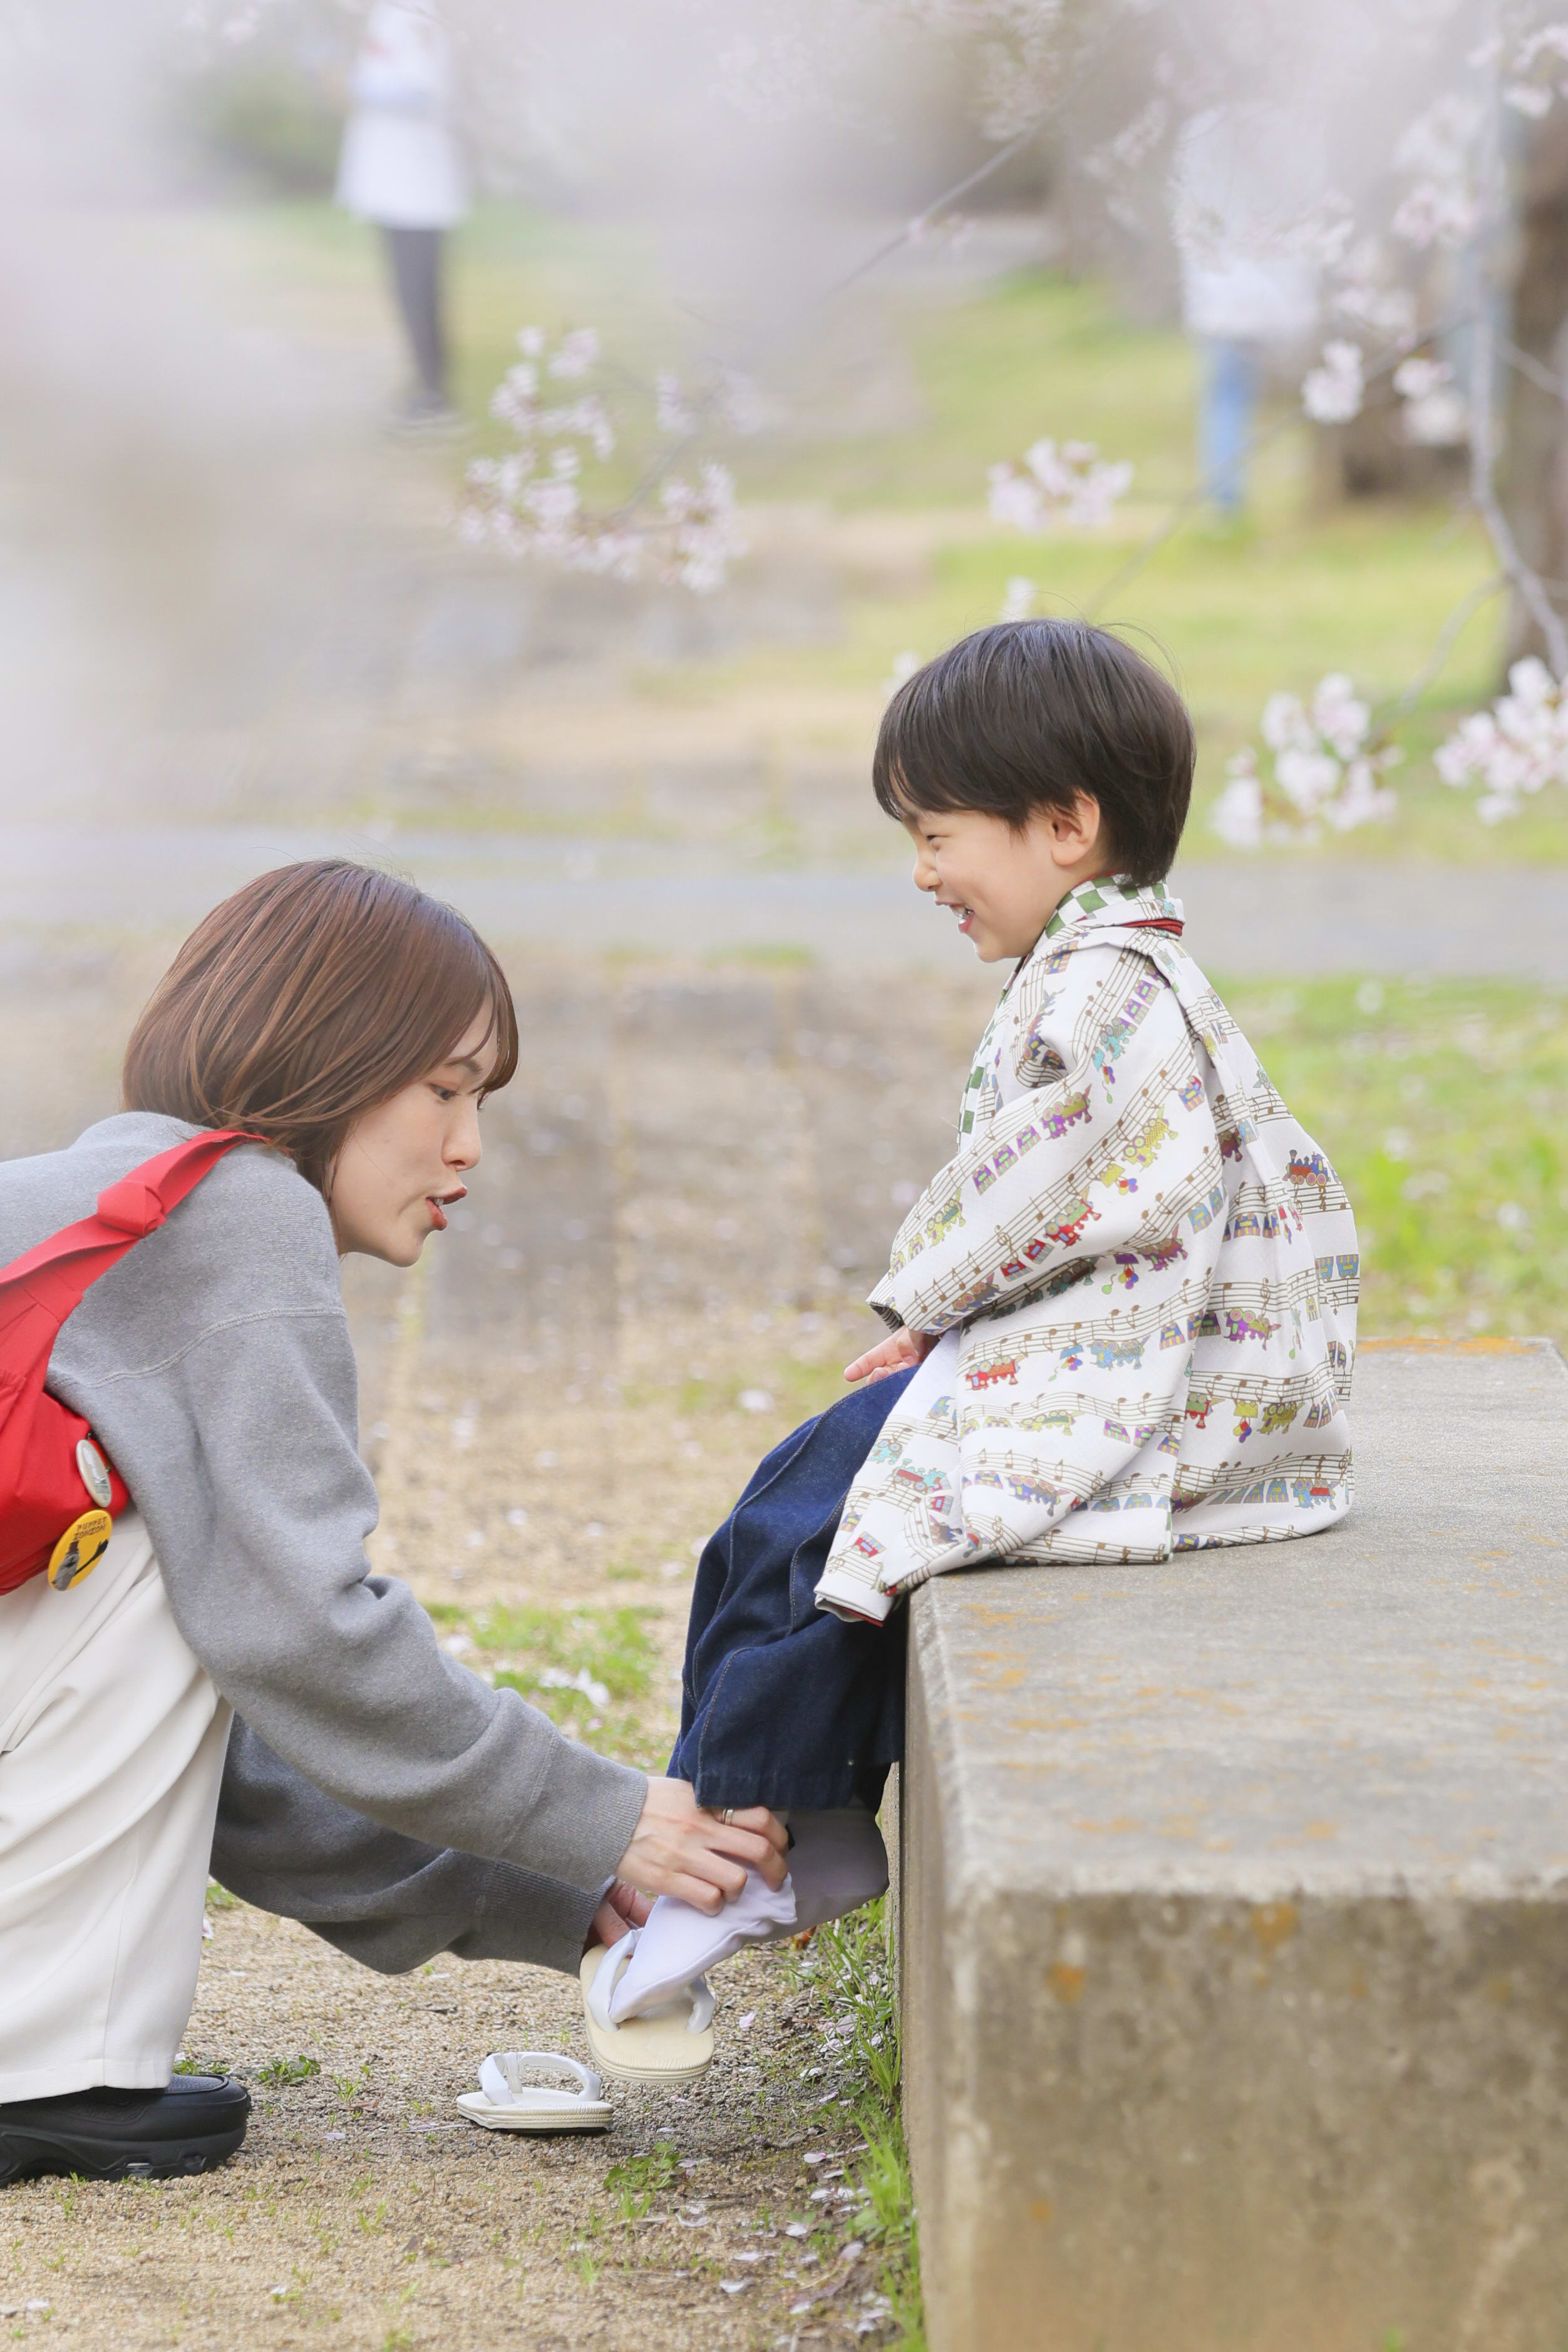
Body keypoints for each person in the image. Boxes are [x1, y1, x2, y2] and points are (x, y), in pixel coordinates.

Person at [585, 621, 1358, 2043]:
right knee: (799, 1506)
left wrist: (925, 1299)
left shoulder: (1099, 987)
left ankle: (738, 1846)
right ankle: (791, 1821)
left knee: (812, 1522)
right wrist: (953, 1324)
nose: (921, 873)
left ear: (1063, 826)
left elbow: (1039, 1180)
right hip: (1114, 1346)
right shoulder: (1122, 969)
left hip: (1124, 1379)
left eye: (936, 835)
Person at [0, 861, 785, 2182]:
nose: (468, 1145)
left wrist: (568, 1885)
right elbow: (307, 1639)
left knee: (177, 1567)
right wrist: (606, 1818)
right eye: (442, 1089)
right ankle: (34, 2062)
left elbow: (241, 1753)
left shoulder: (121, 1199)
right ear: (329, 1058)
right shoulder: (240, 1210)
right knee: (157, 1563)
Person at [1170, 107, 1319, 517]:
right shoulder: (1291, 123)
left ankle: (1226, 499)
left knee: (1227, 395)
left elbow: (1187, 214)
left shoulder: (1202, 130)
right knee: (1245, 392)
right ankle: (1234, 496)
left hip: (1223, 291)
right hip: (1276, 289)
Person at [336, 1, 468, 429]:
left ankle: (435, 397)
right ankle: (424, 390)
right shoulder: (389, 13)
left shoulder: (417, 15)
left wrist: (352, 87)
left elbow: (422, 92)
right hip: (393, 184)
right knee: (406, 293)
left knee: (419, 293)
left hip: (417, 186)